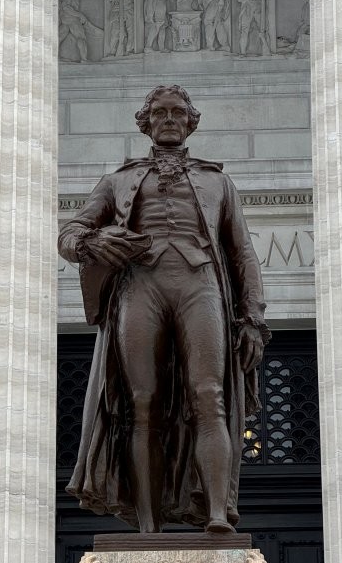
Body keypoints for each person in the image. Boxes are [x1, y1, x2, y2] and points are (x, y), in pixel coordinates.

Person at [58, 85, 268, 534]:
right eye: (159, 113)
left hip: (200, 285)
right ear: (146, 123)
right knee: (141, 403)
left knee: (209, 395)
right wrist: (92, 240)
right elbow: (70, 234)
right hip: (140, 286)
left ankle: (217, 514)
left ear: (191, 122)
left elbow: (242, 253)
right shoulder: (117, 180)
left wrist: (252, 318)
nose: (169, 119)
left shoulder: (219, 182)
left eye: (177, 112)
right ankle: (147, 527)